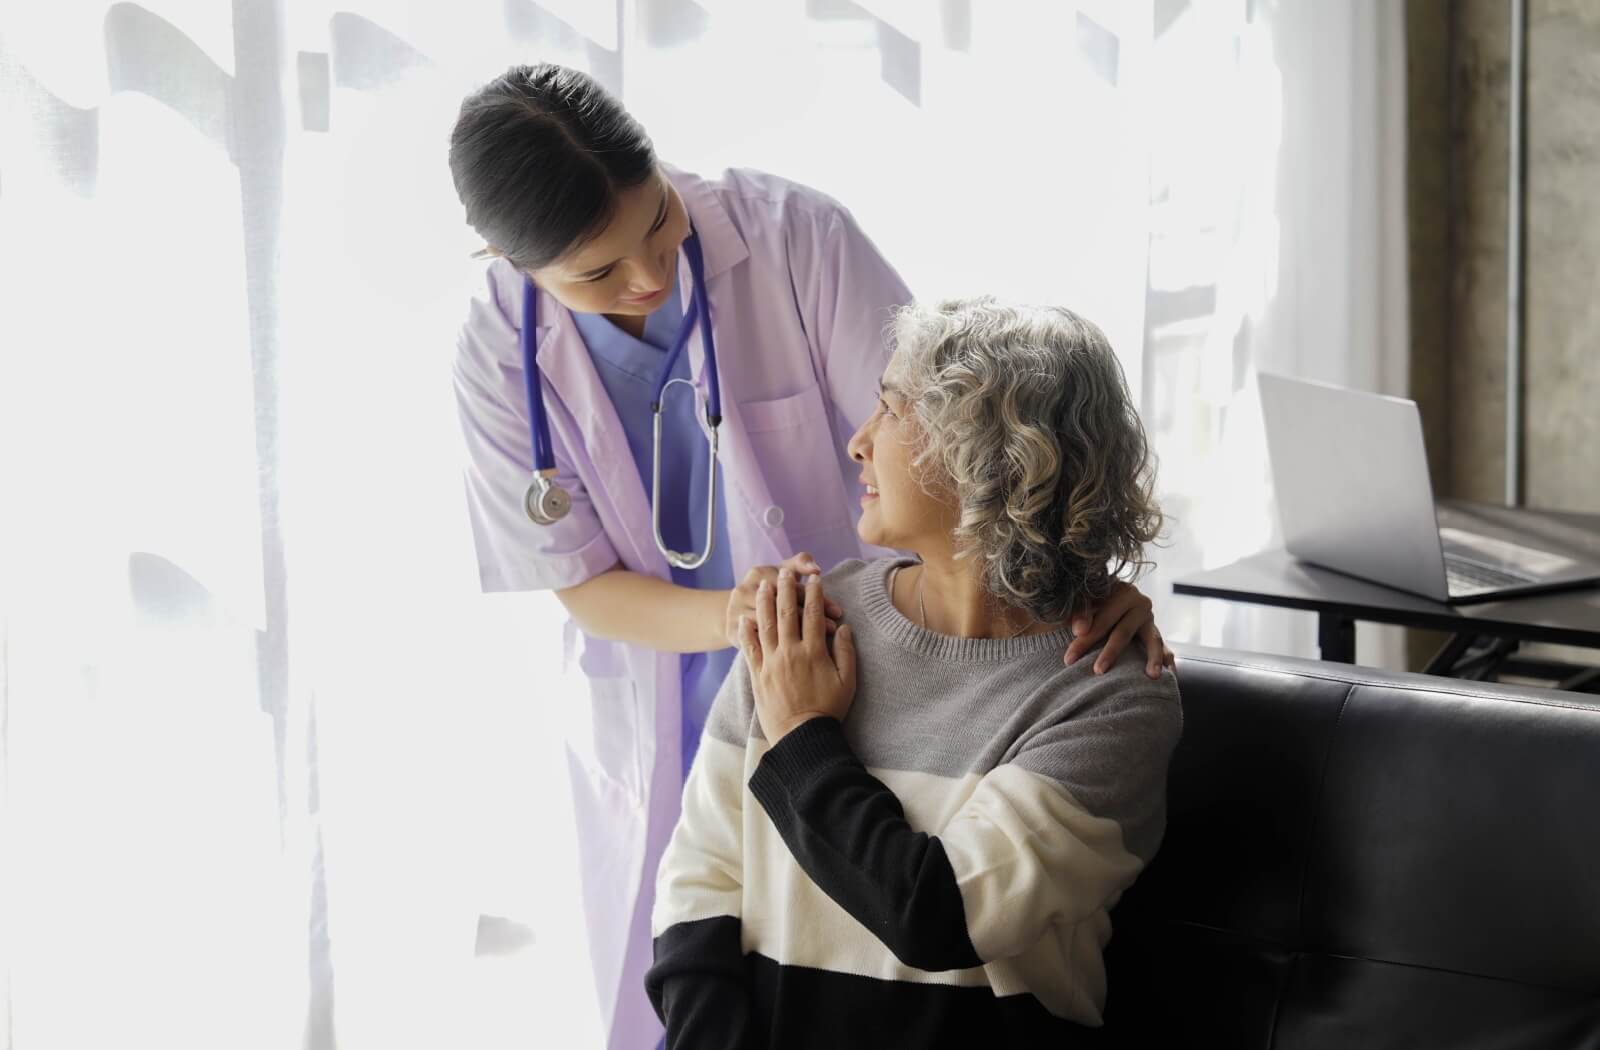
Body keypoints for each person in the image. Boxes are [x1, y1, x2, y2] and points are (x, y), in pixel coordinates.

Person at [447, 65, 1175, 1049]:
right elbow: (581, 587)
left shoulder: (795, 239)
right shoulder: (497, 350)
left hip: (874, 654)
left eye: (657, 223)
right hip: (734, 667)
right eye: (597, 273)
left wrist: (1078, 580)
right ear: (507, 259)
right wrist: (764, 639)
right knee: (683, 944)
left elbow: (956, 425)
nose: (649, 277)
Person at [648, 297, 1183, 1049]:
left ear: (992, 452)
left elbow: (940, 916)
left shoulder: (1106, 693)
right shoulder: (807, 622)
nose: (859, 441)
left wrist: (805, 734)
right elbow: (699, 885)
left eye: (892, 410)